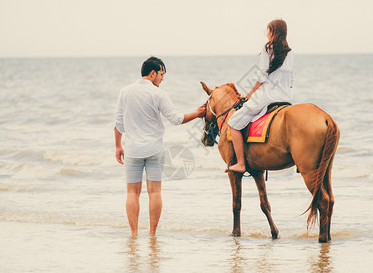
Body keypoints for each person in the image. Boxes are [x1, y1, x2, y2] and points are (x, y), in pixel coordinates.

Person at [114, 56, 205, 236]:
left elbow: (118, 123)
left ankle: (133, 234)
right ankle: (152, 234)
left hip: (133, 150)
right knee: (154, 192)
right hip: (154, 149)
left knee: (132, 193)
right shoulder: (158, 94)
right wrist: (196, 114)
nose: (162, 79)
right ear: (152, 73)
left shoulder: (125, 92)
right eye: (161, 74)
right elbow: (176, 119)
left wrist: (118, 146)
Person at [227, 19, 294, 173]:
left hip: (267, 97)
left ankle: (241, 163)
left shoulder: (268, 48)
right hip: (286, 98)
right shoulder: (290, 52)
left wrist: (250, 94)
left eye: (268, 30)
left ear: (273, 31)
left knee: (233, 122)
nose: (267, 33)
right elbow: (291, 80)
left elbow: (262, 76)